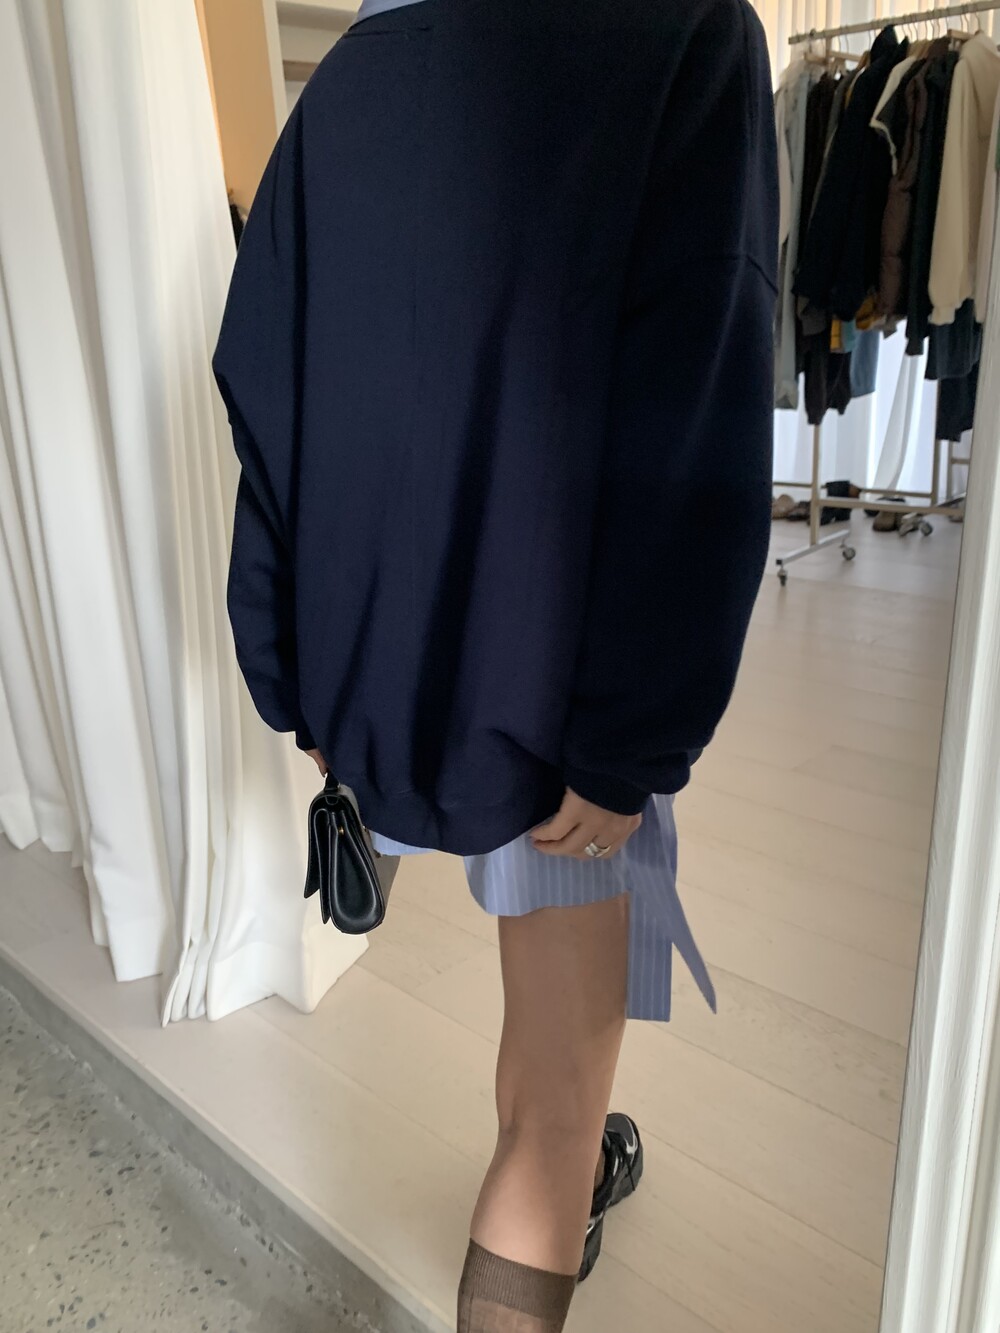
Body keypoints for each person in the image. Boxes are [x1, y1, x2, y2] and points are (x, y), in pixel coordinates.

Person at [213, 0, 778, 1327]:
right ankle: (559, 1189)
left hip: (374, 670)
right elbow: (693, 417)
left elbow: (267, 394)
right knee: (551, 1117)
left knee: (549, 1101)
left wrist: (293, 672)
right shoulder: (686, 34)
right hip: (557, 695)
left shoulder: (355, 70)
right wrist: (632, 739)